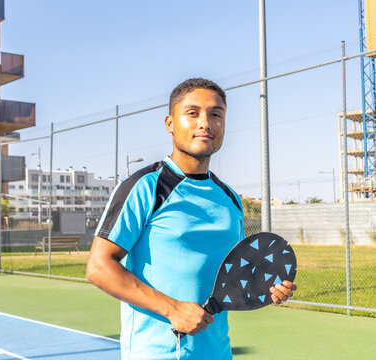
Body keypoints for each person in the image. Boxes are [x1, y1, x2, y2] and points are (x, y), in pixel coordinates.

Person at [86, 78, 297, 360]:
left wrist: (267, 287)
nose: (205, 123)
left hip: (218, 352)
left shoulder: (230, 199)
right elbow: (99, 267)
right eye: (192, 113)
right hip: (158, 354)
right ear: (170, 123)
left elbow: (230, 273)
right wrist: (172, 308)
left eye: (216, 114)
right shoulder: (146, 187)